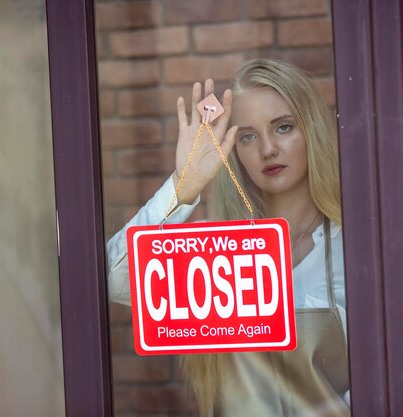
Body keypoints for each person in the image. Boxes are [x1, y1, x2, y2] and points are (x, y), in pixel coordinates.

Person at [107, 58, 349, 416]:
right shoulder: (222, 255)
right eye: (248, 136)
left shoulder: (355, 247)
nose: (267, 149)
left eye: (283, 128)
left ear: (311, 130)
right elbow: (115, 279)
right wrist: (183, 186)